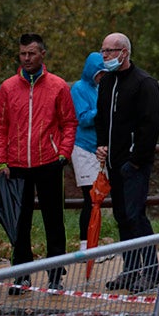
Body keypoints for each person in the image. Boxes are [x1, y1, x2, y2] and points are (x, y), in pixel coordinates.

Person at [0, 33, 77, 294]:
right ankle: (21, 274)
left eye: (31, 53)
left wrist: (63, 153)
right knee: (19, 222)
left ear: (42, 54)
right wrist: (1, 160)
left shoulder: (58, 86)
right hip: (16, 165)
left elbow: (69, 122)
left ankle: (55, 274)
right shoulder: (8, 87)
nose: (26, 58)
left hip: (49, 161)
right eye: (22, 54)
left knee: (53, 220)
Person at [95, 32, 159, 293]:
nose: (105, 55)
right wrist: (101, 144)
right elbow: (102, 118)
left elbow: (151, 125)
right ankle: (131, 269)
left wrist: (135, 161)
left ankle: (150, 271)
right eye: (103, 51)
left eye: (110, 51)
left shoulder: (144, 83)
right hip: (112, 161)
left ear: (124, 52)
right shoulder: (107, 82)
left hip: (134, 164)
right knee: (122, 216)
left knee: (136, 215)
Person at [71, 52, 105, 253]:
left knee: (97, 199)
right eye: (99, 73)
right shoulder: (79, 88)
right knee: (90, 199)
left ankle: (93, 245)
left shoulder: (99, 88)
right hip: (83, 147)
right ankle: (86, 246)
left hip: (97, 148)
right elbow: (82, 118)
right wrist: (101, 109)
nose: (101, 77)